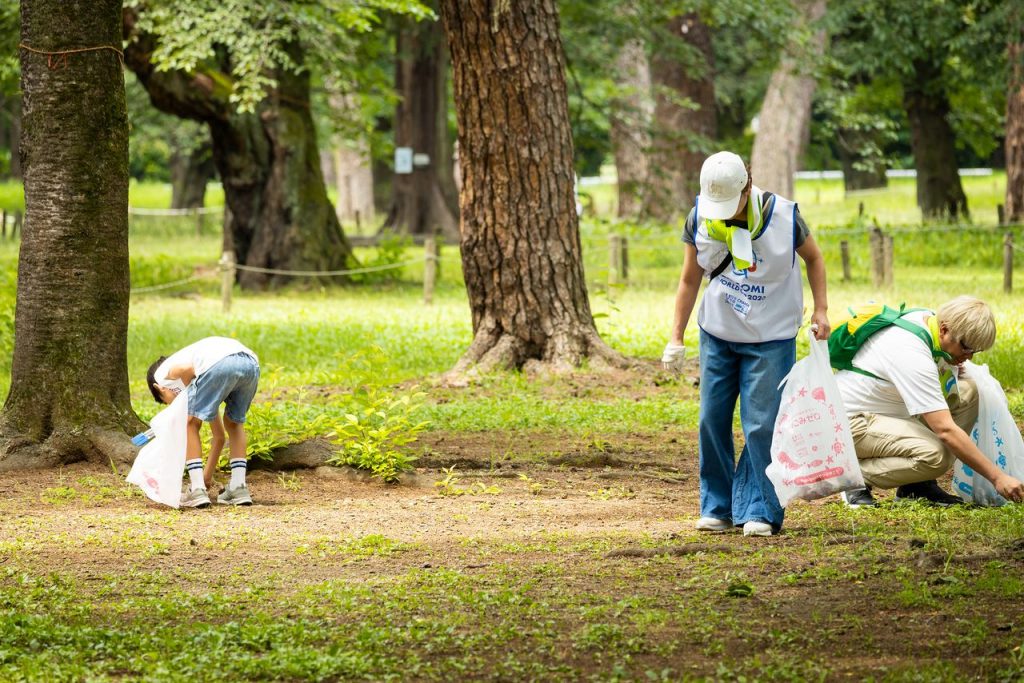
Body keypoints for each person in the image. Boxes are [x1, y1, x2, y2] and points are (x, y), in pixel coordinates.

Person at [662, 151, 830, 537]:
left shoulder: (785, 216)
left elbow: (815, 259)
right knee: (711, 419)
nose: (722, 213)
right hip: (718, 332)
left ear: (748, 187)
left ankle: (760, 508)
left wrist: (821, 309)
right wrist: (676, 336)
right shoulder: (700, 217)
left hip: (770, 337)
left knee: (760, 425)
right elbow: (689, 279)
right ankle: (716, 506)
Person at [835, 296, 1024, 507]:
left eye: (975, 351)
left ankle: (916, 485)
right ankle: (851, 478)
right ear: (944, 330)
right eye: (966, 347)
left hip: (885, 413)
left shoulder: (929, 324)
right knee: (936, 455)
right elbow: (945, 430)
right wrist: (997, 477)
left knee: (968, 392)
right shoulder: (911, 351)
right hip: (848, 423)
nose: (969, 356)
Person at [147, 336, 260, 507]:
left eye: (166, 401)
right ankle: (238, 487)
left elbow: (186, 369)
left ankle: (196, 489)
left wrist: (189, 410)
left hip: (219, 365)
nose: (172, 404)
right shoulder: (203, 377)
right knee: (234, 423)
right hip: (250, 364)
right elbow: (219, 437)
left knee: (189, 423)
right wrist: (207, 477)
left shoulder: (162, 374)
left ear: (160, 388)